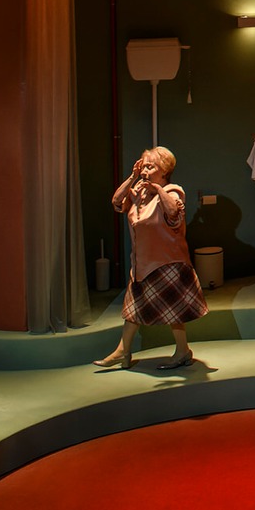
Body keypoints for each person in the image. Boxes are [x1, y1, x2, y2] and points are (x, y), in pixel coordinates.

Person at [91, 146, 208, 369]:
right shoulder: (139, 194)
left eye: (150, 167)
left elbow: (173, 213)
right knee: (133, 310)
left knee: (173, 311)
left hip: (167, 262)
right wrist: (132, 177)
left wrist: (157, 189)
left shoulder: (172, 191)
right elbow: (117, 202)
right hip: (141, 264)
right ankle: (123, 351)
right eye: (143, 166)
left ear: (164, 170)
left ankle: (182, 351)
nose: (145, 171)